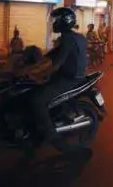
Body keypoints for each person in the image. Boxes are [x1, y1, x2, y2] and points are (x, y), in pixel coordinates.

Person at [23, 8, 88, 145]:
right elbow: (50, 57)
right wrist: (30, 67)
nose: (53, 23)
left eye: (56, 20)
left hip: (68, 80)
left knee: (37, 100)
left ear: (63, 22)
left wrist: (42, 76)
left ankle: (52, 136)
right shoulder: (74, 37)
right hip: (72, 77)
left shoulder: (68, 40)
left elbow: (56, 65)